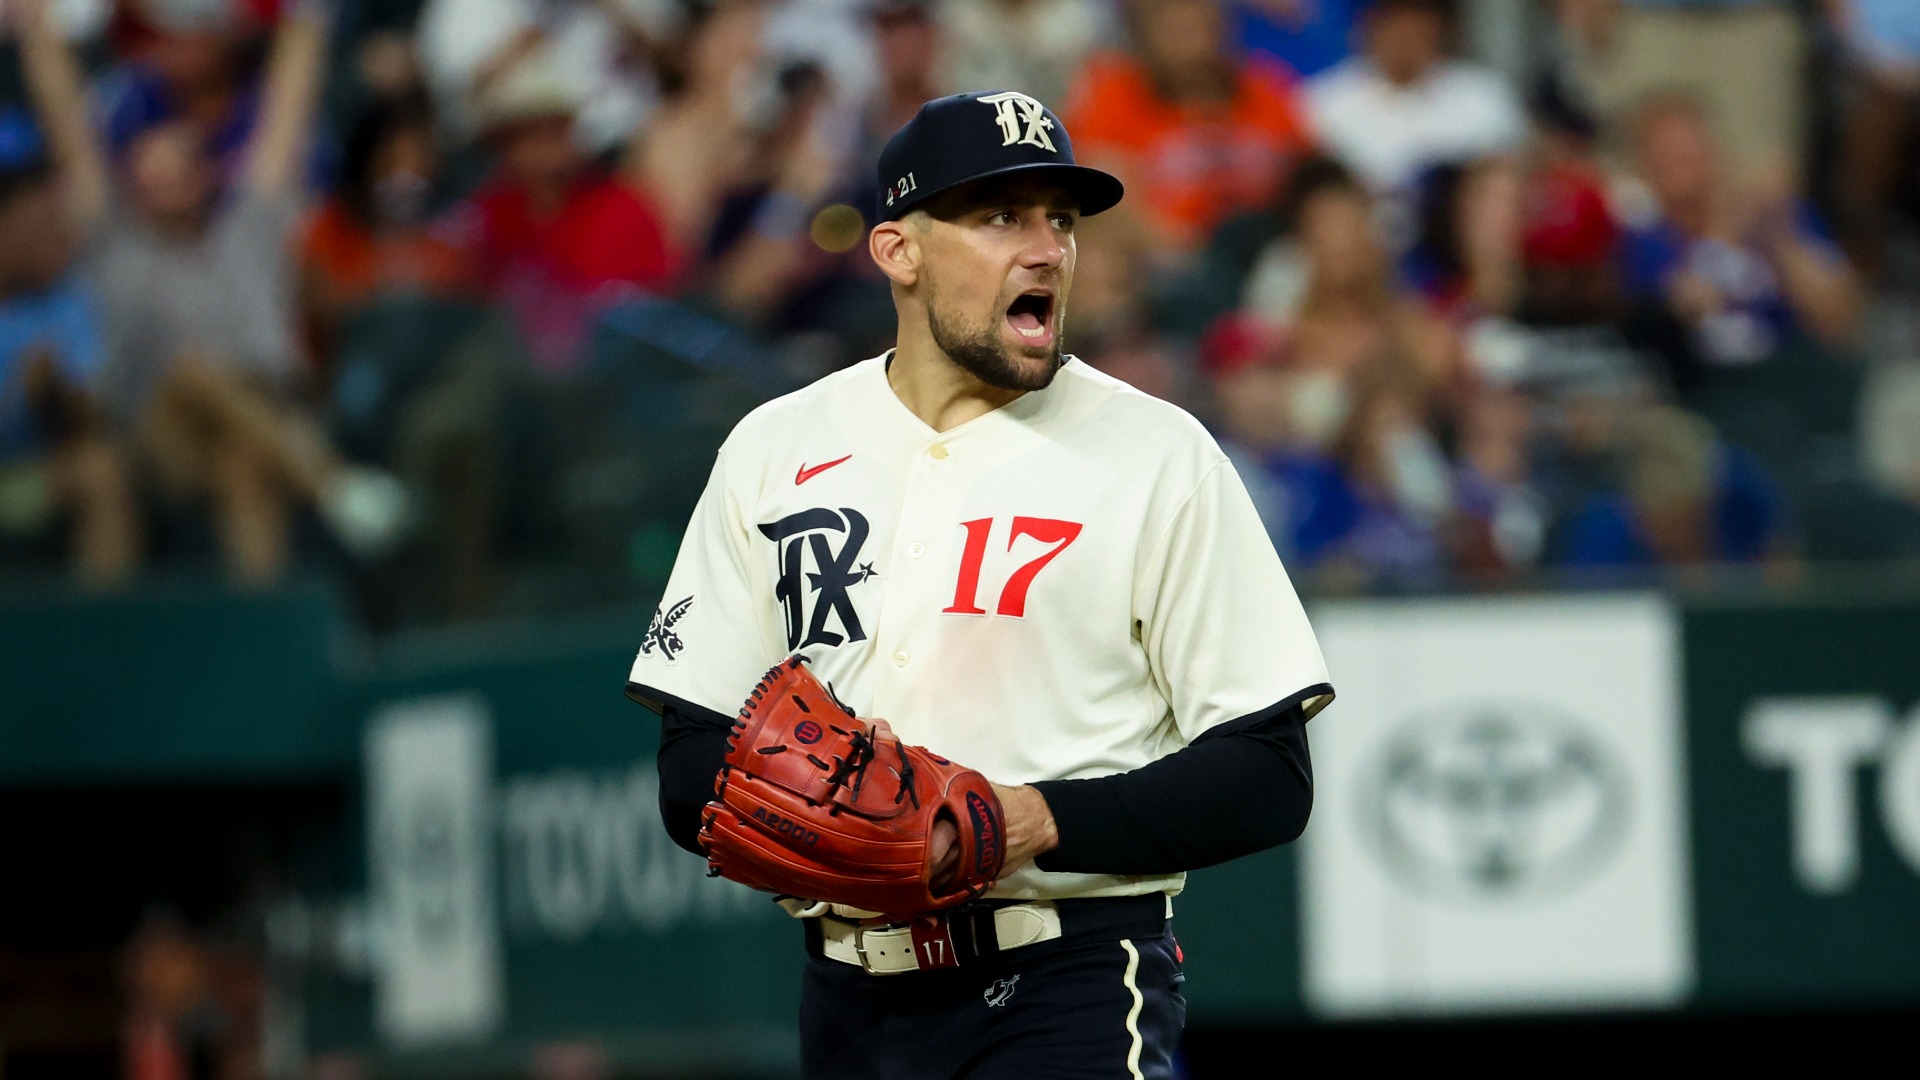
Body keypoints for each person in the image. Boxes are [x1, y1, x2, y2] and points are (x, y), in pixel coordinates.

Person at [628, 91, 1332, 1079]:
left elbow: (1269, 772)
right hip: (846, 999)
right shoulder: (773, 449)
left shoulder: (1157, 454)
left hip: (1069, 980)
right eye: (1002, 216)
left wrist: (1038, 821)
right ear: (897, 253)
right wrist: (833, 826)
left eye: (1062, 219)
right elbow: (689, 756)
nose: (1046, 248)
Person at [18, 0, 410, 585]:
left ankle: (262, 631)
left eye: (177, 173)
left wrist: (306, 19)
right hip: (156, 435)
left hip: (262, 415)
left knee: (243, 466)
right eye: (148, 179)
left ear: (207, 174)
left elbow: (287, 107)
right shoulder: (114, 243)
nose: (163, 188)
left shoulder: (249, 228)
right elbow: (68, 127)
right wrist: (33, 25)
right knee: (191, 373)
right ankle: (335, 485)